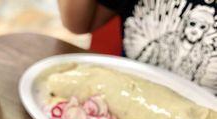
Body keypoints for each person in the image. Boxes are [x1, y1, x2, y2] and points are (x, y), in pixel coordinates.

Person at [58, 0, 217, 93]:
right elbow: (78, 24)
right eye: (193, 25)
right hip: (128, 93)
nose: (195, 31)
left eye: (202, 27)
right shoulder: (164, 42)